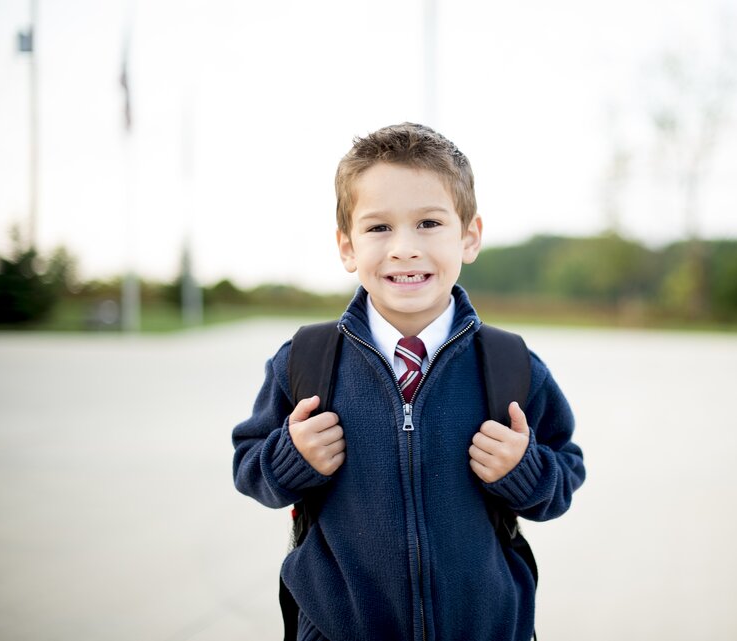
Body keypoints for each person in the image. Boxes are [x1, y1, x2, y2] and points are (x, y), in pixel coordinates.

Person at [232, 122, 585, 641]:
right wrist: (292, 457)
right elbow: (249, 465)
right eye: (378, 228)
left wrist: (523, 469)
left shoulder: (509, 364)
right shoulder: (307, 360)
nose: (403, 248)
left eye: (428, 223)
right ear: (347, 246)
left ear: (469, 236)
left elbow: (564, 474)